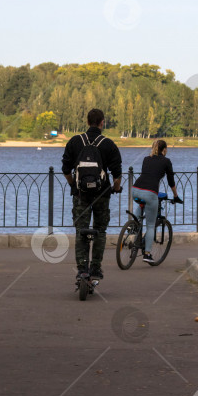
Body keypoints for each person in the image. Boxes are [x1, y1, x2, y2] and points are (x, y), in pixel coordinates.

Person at [61, 109, 122, 280]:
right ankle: (95, 267)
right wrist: (116, 188)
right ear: (102, 122)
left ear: (87, 122)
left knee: (81, 230)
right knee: (100, 230)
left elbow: (65, 169)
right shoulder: (108, 144)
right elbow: (117, 173)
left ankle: (82, 269)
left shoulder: (75, 141)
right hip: (102, 194)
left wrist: (73, 184)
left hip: (80, 194)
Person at [131, 140, 182, 262]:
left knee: (143, 203)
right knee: (150, 225)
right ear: (164, 149)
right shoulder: (166, 161)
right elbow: (171, 182)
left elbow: (148, 175)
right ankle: (147, 254)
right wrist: (176, 196)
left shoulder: (146, 159)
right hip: (150, 193)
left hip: (135, 189)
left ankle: (133, 225)